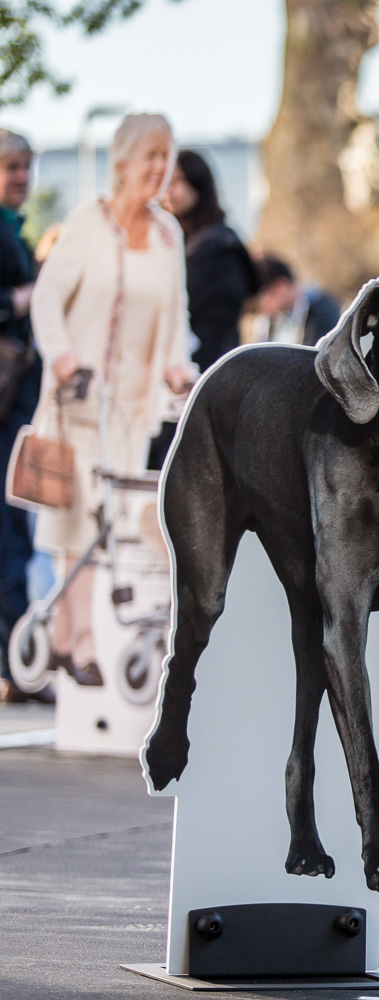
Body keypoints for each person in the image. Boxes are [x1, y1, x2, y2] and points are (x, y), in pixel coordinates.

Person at [24, 113, 195, 688]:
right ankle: (78, 638)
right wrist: (64, 355)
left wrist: (177, 367)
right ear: (122, 162)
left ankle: (80, 635)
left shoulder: (169, 235)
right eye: (149, 156)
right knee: (76, 518)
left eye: (165, 156)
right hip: (79, 398)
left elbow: (176, 316)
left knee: (112, 523)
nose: (159, 168)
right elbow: (47, 300)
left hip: (131, 406)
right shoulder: (86, 226)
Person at [0, 130, 43, 703]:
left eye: (26, 167)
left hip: (17, 404)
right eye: (10, 166)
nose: (20, 176)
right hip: (7, 405)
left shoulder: (15, 229)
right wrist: (26, 297)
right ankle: (13, 659)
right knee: (9, 531)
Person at [164, 150, 257, 372]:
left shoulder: (218, 246)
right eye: (165, 182)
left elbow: (197, 314)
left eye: (178, 181)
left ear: (199, 184)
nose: (169, 192)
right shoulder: (182, 239)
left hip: (209, 370)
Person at [250, 255, 342, 347]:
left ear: (281, 287)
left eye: (264, 299)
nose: (263, 307)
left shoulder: (322, 316)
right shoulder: (271, 322)